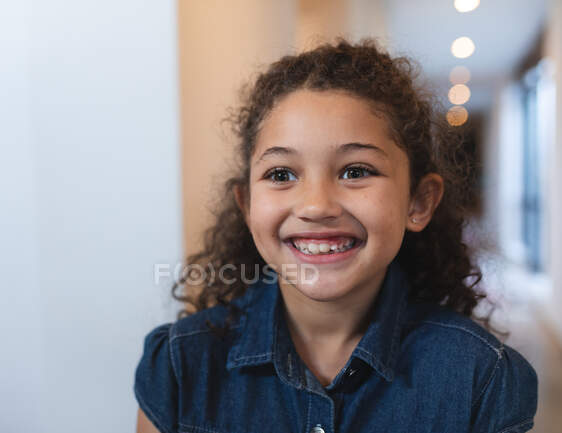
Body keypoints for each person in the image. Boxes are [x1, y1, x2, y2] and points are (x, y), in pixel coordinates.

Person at [134, 38, 538, 433]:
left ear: (418, 202)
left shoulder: (481, 379)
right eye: (281, 174)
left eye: (356, 171)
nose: (316, 206)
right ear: (247, 205)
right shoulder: (179, 367)